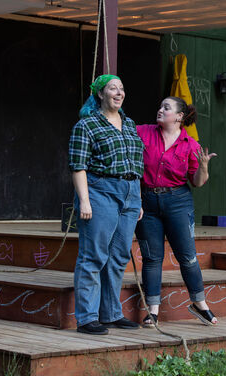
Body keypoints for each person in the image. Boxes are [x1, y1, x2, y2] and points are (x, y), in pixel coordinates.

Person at [68, 74, 144, 335]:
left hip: (130, 193)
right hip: (101, 192)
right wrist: (84, 201)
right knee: (93, 255)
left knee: (119, 255)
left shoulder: (129, 123)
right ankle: (87, 318)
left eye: (121, 88)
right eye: (113, 88)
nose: (119, 92)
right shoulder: (87, 124)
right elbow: (78, 165)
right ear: (100, 94)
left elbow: (135, 163)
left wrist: (137, 198)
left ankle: (110, 313)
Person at [135, 96, 218, 327]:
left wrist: (203, 166)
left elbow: (197, 182)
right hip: (147, 201)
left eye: (166, 107)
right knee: (152, 258)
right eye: (160, 106)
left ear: (180, 116)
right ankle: (152, 311)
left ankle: (199, 304)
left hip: (178, 202)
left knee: (187, 257)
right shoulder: (143, 132)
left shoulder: (190, 145)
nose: (160, 110)